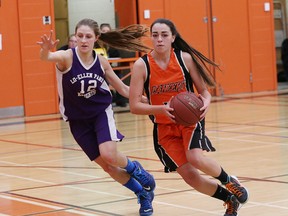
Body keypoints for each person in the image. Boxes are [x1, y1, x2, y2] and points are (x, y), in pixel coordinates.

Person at [129, 18, 249, 216]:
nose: (159, 39)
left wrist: (207, 103)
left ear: (173, 37)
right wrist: (161, 109)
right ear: (151, 37)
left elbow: (205, 92)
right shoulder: (142, 66)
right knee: (190, 177)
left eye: (164, 35)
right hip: (163, 127)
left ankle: (229, 181)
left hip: (189, 119)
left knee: (195, 157)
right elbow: (134, 106)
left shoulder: (184, 59)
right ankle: (229, 199)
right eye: (155, 35)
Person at [36, 18, 155, 216]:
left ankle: (137, 170)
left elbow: (124, 88)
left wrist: (148, 101)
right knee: (108, 167)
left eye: (88, 36)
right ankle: (142, 194)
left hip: (100, 112)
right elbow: (46, 57)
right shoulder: (67, 57)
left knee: (109, 154)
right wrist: (45, 50)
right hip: (77, 120)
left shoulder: (101, 61)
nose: (83, 40)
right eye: (79, 36)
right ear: (75, 37)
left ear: (96, 39)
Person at [99, 23, 128, 107]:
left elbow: (118, 57)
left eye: (107, 31)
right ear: (100, 32)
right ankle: (107, 100)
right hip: (100, 70)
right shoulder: (96, 43)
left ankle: (121, 100)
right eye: (103, 31)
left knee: (119, 78)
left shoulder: (114, 45)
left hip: (113, 68)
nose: (105, 33)